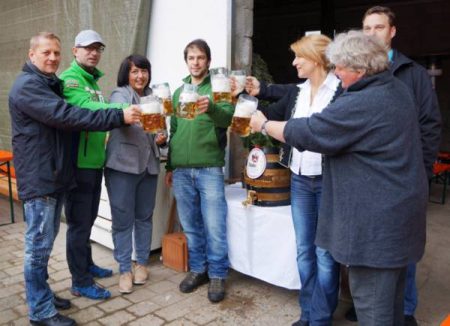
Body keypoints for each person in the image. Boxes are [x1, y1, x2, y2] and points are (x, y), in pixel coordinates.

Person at [250, 30, 428, 325]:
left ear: (359, 69)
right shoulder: (394, 88)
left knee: (375, 312)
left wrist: (265, 123)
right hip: (399, 221)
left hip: (376, 232)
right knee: (392, 307)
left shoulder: (364, 101)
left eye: (341, 67)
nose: (337, 73)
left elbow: (312, 132)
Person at [8, 32, 140, 326]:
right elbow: (68, 115)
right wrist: (119, 116)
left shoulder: (47, 83)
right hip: (41, 176)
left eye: (55, 53)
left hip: (54, 175)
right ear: (32, 55)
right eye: (46, 53)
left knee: (44, 243)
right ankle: (40, 312)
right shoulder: (29, 86)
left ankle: (42, 294)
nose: (53, 58)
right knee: (38, 248)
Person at [344, 6, 442, 325]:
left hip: (403, 182)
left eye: (378, 27)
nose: (372, 34)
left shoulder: (411, 73)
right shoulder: (357, 72)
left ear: (392, 32)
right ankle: (371, 304)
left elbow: (429, 126)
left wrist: (422, 174)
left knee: (403, 251)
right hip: (367, 184)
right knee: (372, 248)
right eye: (366, 28)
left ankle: (405, 310)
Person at [245, 35, 342, 326]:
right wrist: (243, 104)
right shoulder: (297, 93)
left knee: (325, 253)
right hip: (299, 180)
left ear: (316, 58)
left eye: (299, 56)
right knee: (304, 252)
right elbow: (266, 116)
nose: (294, 62)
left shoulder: (340, 92)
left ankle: (321, 317)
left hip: (329, 182)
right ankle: (307, 312)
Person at [165, 39, 234, 303]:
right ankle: (198, 270)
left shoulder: (219, 87)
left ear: (208, 61)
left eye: (200, 57)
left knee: (215, 225)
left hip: (209, 168)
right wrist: (170, 166)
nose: (196, 62)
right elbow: (175, 131)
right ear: (186, 61)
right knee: (191, 225)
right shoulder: (177, 91)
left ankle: (217, 274)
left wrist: (212, 107)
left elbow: (228, 118)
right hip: (181, 170)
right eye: (191, 58)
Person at [59, 30, 123, 300]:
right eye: (87, 48)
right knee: (78, 224)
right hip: (78, 165)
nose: (93, 53)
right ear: (75, 51)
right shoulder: (70, 80)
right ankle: (80, 281)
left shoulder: (94, 82)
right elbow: (84, 107)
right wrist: (118, 112)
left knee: (88, 221)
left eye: (98, 48)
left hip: (94, 163)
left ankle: (86, 265)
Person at [105, 54, 167, 293]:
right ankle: (124, 268)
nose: (140, 76)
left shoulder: (155, 96)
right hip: (122, 165)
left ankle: (141, 263)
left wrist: (162, 138)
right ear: (126, 74)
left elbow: (160, 131)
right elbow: (122, 112)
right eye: (135, 72)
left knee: (144, 217)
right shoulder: (119, 93)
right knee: (122, 220)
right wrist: (152, 111)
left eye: (144, 71)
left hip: (149, 165)